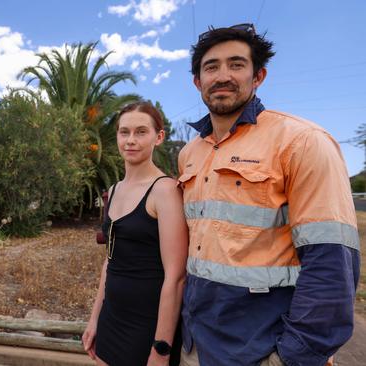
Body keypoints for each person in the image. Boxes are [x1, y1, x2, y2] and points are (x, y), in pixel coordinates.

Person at [178, 23, 360, 366]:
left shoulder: (302, 142)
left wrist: (289, 357)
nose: (222, 76)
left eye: (236, 64)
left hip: (261, 349)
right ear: (197, 82)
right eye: (211, 67)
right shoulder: (190, 154)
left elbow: (332, 267)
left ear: (258, 75)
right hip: (197, 344)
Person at [82, 102, 188, 366]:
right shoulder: (115, 189)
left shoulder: (165, 191)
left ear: (159, 137)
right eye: (124, 132)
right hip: (111, 318)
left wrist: (161, 348)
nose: (131, 140)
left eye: (141, 132)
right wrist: (95, 318)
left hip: (147, 326)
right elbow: (110, 260)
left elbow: (176, 277)